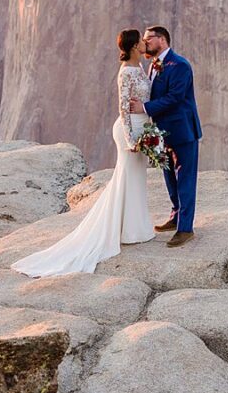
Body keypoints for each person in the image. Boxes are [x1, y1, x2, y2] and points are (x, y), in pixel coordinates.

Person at [11, 29, 156, 276]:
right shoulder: (126, 73)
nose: (145, 43)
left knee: (134, 178)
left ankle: (134, 227)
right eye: (141, 41)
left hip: (142, 127)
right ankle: (128, 230)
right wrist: (132, 139)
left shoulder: (140, 67)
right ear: (133, 47)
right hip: (128, 131)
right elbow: (123, 108)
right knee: (127, 177)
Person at [129, 24, 201, 247]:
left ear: (162, 40)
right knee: (169, 176)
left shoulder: (180, 65)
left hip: (183, 131)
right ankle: (175, 216)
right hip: (162, 133)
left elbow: (175, 97)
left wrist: (145, 108)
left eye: (148, 38)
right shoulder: (152, 66)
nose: (145, 42)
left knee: (185, 178)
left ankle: (185, 228)